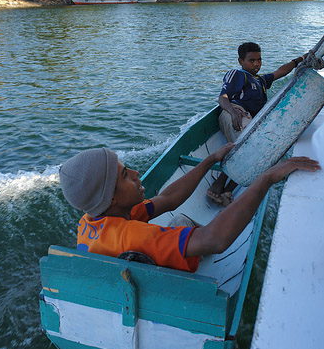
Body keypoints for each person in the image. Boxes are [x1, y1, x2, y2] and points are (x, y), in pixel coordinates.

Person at [59, 145, 320, 273]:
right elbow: (215, 240)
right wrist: (266, 178)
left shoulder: (95, 220)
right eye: (126, 176)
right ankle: (218, 219)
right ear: (111, 198)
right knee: (186, 223)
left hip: (125, 287)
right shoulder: (133, 236)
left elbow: (168, 199)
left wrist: (208, 161)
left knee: (179, 215)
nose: (137, 174)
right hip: (165, 294)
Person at [207, 42, 305, 207]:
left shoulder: (260, 80)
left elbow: (280, 71)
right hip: (236, 113)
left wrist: (299, 60)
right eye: (251, 60)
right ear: (241, 61)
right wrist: (233, 112)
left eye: (259, 60)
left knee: (263, 151)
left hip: (251, 122)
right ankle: (220, 181)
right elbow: (222, 98)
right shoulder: (237, 74)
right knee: (250, 145)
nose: (256, 64)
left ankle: (228, 189)